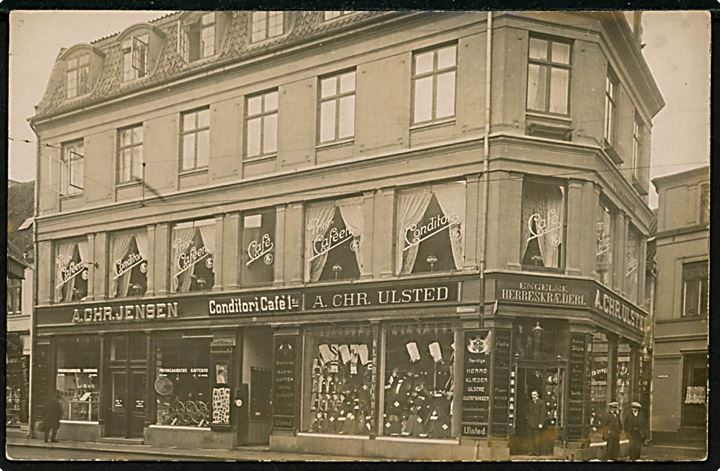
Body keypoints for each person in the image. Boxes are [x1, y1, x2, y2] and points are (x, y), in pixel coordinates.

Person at [526, 389, 546, 456]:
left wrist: (541, 423)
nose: (533, 396)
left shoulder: (541, 402)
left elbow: (542, 414)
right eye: (532, 394)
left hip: (537, 423)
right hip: (530, 423)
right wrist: (527, 417)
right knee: (530, 438)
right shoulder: (530, 402)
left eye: (534, 394)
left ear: (538, 395)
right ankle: (531, 451)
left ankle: (537, 452)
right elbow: (527, 410)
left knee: (537, 438)